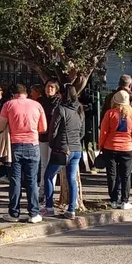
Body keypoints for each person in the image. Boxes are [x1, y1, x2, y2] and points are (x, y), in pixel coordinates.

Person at [0, 84, 47, 223]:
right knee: (31, 181)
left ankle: (14, 213)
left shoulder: (8, 105)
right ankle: (34, 213)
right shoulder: (37, 105)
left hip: (15, 145)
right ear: (26, 93)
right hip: (33, 145)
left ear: (14, 94)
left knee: (15, 181)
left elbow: (0, 126)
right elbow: (43, 128)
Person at [43, 84, 84, 218]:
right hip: (76, 148)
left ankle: (49, 207)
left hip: (62, 148)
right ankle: (71, 209)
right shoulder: (79, 109)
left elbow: (53, 131)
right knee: (71, 179)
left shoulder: (60, 109)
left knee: (49, 176)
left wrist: (54, 145)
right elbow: (82, 131)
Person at [100, 90, 132, 209]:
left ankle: (113, 200)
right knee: (126, 175)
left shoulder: (110, 113)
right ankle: (125, 200)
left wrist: (101, 146)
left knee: (112, 175)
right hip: (127, 148)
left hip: (110, 147)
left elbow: (103, 132)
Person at [38, 80, 61, 197]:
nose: (49, 89)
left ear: (56, 89)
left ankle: (49, 190)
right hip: (43, 136)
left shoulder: (59, 102)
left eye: (52, 87)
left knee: (52, 164)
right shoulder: (41, 101)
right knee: (44, 164)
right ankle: (42, 189)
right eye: (47, 87)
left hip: (54, 137)